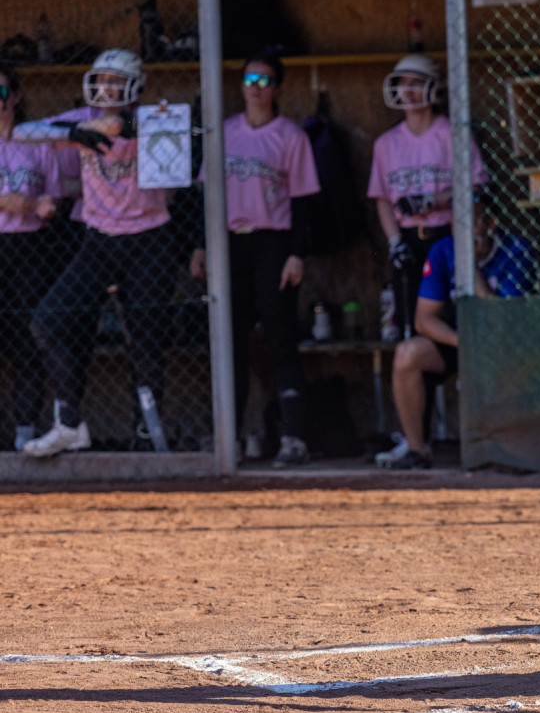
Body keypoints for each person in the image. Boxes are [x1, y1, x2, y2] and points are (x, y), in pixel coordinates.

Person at [15, 49, 179, 457]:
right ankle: (70, 424)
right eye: (101, 80)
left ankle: (146, 435)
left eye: (114, 81)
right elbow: (20, 132)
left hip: (149, 240)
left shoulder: (153, 119)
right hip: (98, 240)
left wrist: (120, 125)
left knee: (144, 341)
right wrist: (73, 134)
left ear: (134, 86)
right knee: (47, 321)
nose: (106, 88)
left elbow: (178, 129)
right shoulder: (80, 120)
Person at [189, 53, 321, 467]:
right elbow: (204, 196)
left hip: (273, 243)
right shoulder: (224, 132)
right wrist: (201, 246)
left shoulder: (290, 136)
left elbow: (303, 202)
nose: (256, 87)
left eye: (265, 80)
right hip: (229, 243)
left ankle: (294, 436)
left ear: (277, 88)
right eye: (250, 79)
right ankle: (228, 437)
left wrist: (297, 253)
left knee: (280, 337)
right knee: (230, 339)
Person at [377, 205, 533, 470]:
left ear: (490, 226)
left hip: (503, 341)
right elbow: (424, 319)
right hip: (460, 339)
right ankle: (417, 450)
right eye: (456, 228)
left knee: (498, 356)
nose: (463, 237)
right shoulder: (443, 249)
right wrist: (461, 342)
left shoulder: (516, 250)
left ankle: (503, 448)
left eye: (471, 227)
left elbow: (500, 321)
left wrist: (471, 269)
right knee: (407, 354)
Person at [368, 54, 488, 342]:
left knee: (451, 314)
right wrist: (395, 241)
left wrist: (434, 200)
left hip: (447, 235)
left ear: (434, 88)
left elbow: (478, 187)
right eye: (401, 83)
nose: (406, 91)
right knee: (412, 323)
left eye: (415, 83)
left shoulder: (452, 134)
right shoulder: (387, 143)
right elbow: (382, 197)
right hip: (408, 240)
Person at [0, 68, 63, 450]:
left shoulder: (37, 142)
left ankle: (25, 432)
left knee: (27, 339)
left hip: (29, 249)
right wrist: (17, 202)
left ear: (17, 96)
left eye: (2, 89)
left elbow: (52, 198)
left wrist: (41, 207)